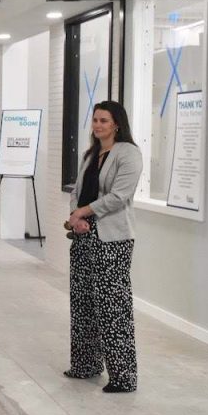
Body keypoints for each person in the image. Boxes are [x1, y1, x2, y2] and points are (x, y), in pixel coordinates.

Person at [65, 101, 142, 393]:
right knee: (83, 302)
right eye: (95, 120)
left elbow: (119, 196)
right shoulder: (91, 154)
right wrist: (76, 217)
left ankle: (123, 377)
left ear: (117, 124)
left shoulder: (128, 154)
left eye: (104, 121)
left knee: (113, 307)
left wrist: (84, 212)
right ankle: (85, 365)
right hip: (83, 234)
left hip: (113, 238)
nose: (98, 125)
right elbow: (76, 191)